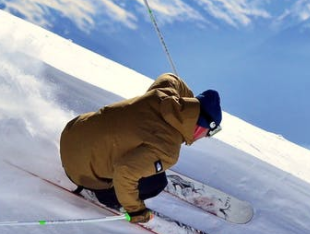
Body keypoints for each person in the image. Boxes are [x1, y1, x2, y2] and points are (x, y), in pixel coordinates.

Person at [59, 73, 222, 223]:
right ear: (202, 127)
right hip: (80, 172)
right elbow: (124, 172)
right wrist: (135, 211)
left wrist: (188, 105)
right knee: (157, 182)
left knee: (134, 150)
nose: (206, 137)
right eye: (210, 133)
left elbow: (171, 78)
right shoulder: (168, 150)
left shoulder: (164, 94)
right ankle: (104, 195)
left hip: (71, 134)